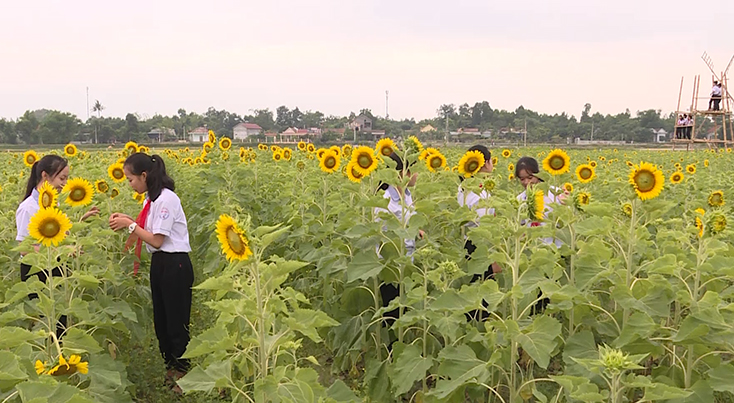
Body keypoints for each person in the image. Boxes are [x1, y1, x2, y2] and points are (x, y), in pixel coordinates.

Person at [108, 153, 193, 394]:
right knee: (162, 321)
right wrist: (127, 220)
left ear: (144, 176)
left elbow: (156, 239)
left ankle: (182, 374)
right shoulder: (152, 199)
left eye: (131, 179)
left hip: (174, 263)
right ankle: (171, 369)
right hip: (161, 264)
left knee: (176, 321)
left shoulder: (167, 199)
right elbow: (149, 230)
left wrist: (131, 226)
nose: (129, 184)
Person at [15, 155, 100, 339]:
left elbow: (61, 233)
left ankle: (59, 356)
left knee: (60, 319)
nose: (65, 183)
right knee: (45, 321)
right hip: (36, 271)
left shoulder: (52, 203)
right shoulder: (28, 208)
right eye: (62, 178)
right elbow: (24, 248)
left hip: (56, 266)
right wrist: (60, 252)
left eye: (66, 178)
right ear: (45, 176)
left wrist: (81, 220)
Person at [374, 152, 422, 332]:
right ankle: (390, 351)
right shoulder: (385, 200)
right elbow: (382, 233)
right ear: (402, 173)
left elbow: (409, 220)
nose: (416, 175)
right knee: (393, 317)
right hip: (391, 266)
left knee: (404, 311)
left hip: (407, 262)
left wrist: (418, 230)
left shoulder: (407, 195)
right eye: (414, 171)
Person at [457, 145, 502, 282]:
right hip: (480, 246)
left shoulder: (464, 186)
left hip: (468, 242)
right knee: (483, 288)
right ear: (486, 162)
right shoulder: (478, 191)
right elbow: (484, 224)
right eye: (491, 161)